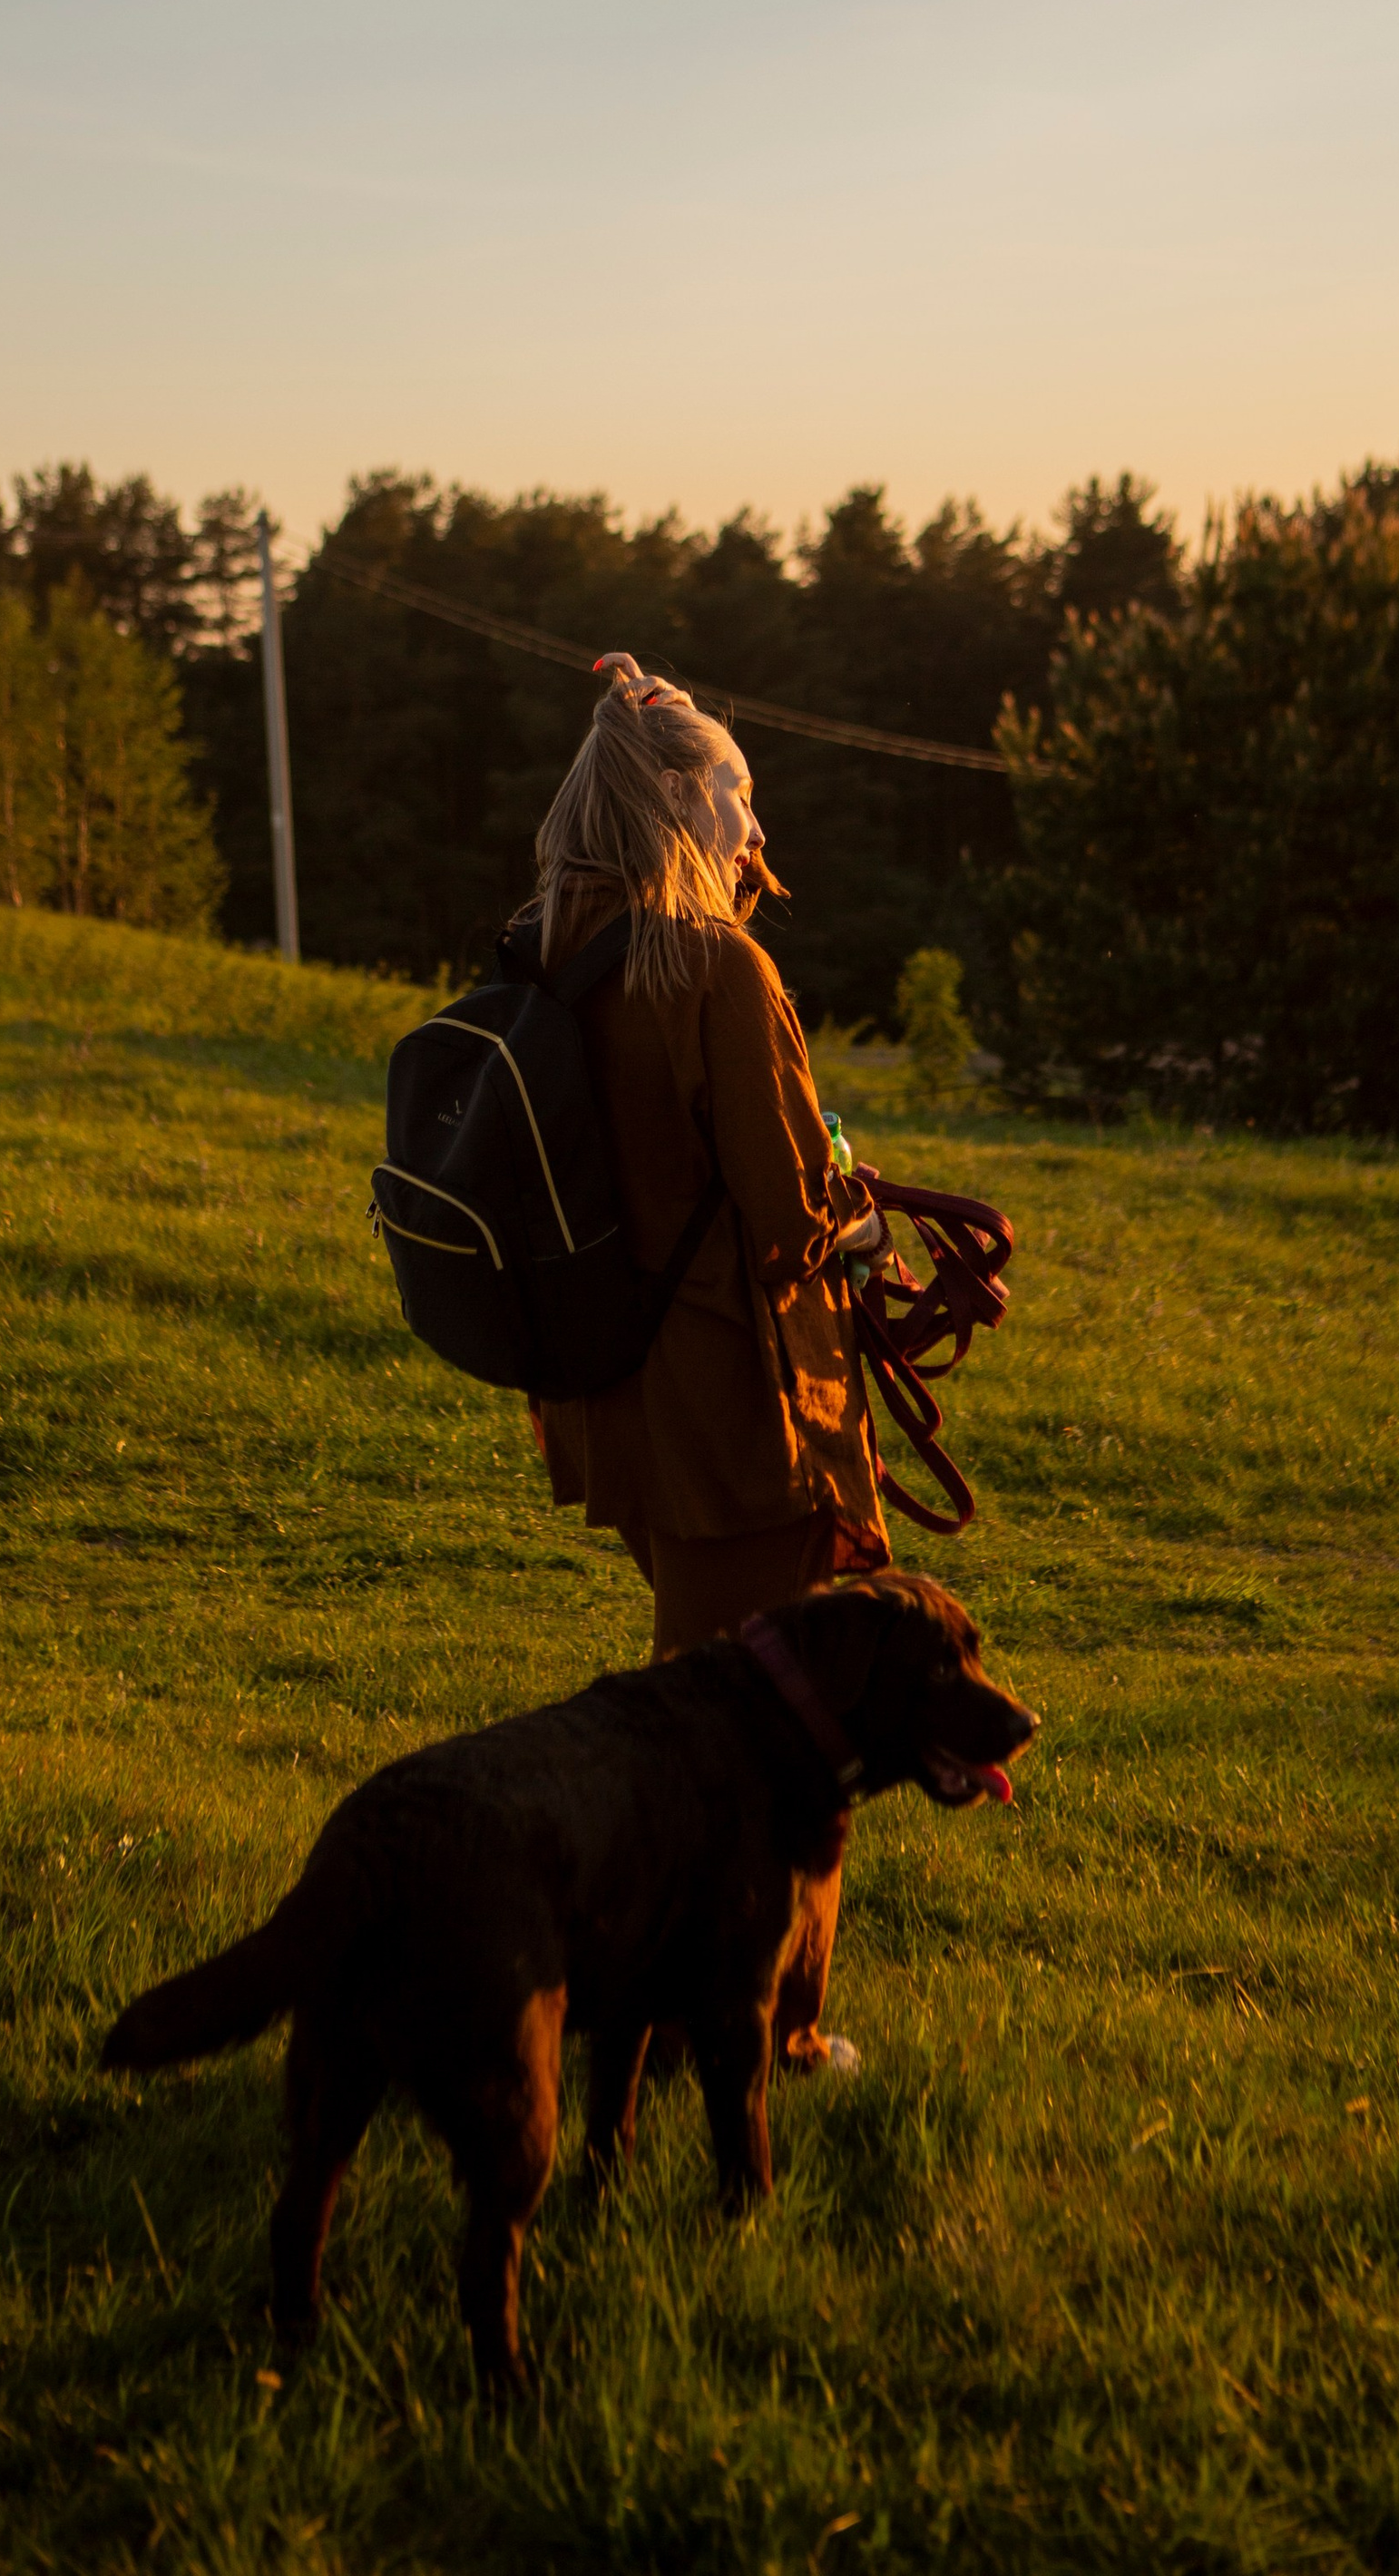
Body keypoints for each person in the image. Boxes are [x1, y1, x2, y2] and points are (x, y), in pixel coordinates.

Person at [522, 651, 891, 2070]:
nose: (755, 830)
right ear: (677, 796)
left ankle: (671, 2005)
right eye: (736, 797)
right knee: (771, 1740)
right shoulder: (714, 964)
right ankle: (752, 2031)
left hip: (613, 1400)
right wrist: (863, 1235)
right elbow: (792, 1213)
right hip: (734, 1416)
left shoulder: (561, 937)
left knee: (705, 1706)